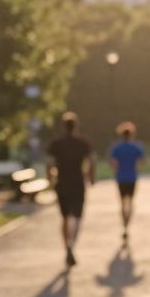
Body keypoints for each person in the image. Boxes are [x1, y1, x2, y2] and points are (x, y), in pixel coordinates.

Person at [46, 111, 95, 267]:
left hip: (62, 183)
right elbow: (92, 160)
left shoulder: (56, 143)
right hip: (77, 183)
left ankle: (66, 245)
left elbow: (49, 163)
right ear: (76, 125)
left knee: (65, 217)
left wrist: (51, 178)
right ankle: (71, 244)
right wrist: (90, 175)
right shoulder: (82, 142)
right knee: (76, 216)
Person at [108, 121, 145, 240]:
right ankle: (127, 225)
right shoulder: (136, 147)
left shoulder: (117, 148)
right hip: (132, 178)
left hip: (120, 178)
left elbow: (113, 164)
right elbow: (142, 162)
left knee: (123, 203)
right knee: (130, 201)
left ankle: (124, 225)